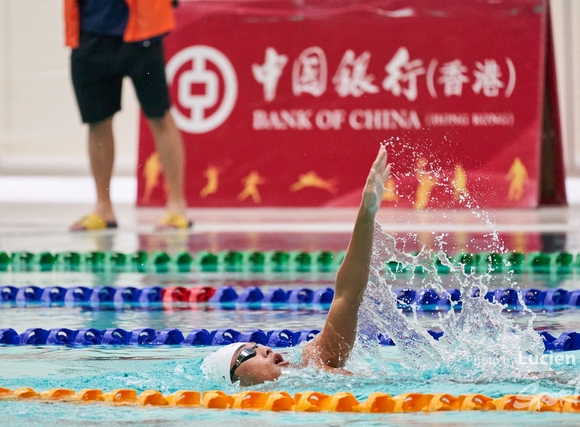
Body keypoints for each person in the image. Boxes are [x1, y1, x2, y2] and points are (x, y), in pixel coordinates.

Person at [202, 146, 391, 386]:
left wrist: (366, 213)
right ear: (236, 381)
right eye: (249, 353)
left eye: (260, 346)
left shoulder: (313, 363)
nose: (266, 350)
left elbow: (346, 295)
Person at [64, 0, 191, 231]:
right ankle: (103, 207)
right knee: (97, 121)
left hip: (142, 33)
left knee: (160, 115)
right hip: (89, 34)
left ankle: (177, 205)